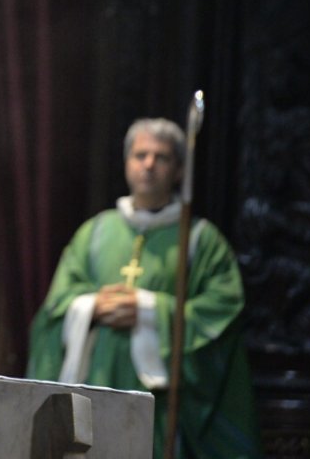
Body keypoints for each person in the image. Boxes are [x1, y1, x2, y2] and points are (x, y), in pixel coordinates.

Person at [27, 118, 261, 458]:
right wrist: (90, 308)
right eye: (140, 155)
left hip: (161, 407)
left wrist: (150, 310)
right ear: (126, 163)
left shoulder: (199, 240)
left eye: (161, 157)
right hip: (94, 386)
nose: (148, 164)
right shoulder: (94, 233)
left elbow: (221, 313)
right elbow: (56, 307)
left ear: (179, 170)